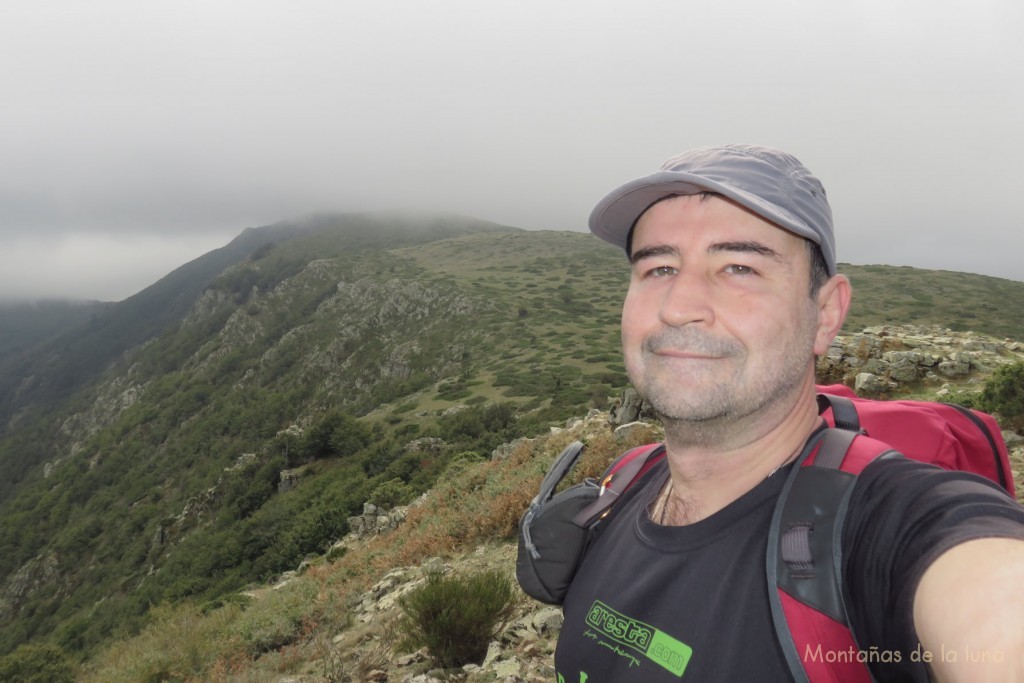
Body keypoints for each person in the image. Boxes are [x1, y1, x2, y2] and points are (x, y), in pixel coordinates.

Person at [554, 145, 1024, 681]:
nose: (679, 306)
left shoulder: (889, 523)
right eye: (659, 267)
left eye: (739, 267)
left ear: (825, 314)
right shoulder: (627, 481)